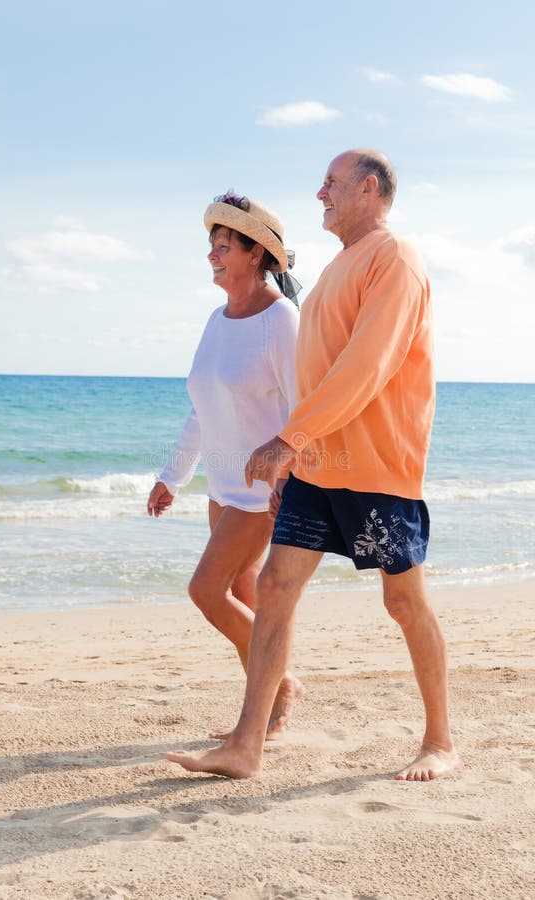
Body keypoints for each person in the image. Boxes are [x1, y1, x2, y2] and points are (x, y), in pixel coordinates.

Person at [166, 149, 461, 782]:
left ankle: (439, 739)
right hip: (318, 467)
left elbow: (369, 365)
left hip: (376, 467)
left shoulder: (396, 260)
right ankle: (247, 745)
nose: (319, 191)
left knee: (404, 603)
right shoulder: (338, 268)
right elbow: (315, 375)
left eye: (331, 182)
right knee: (273, 589)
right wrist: (295, 457)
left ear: (369, 188)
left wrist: (286, 438)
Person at [148, 191, 302, 735]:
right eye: (212, 246)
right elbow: (204, 407)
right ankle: (264, 713)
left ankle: (281, 683)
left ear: (255, 253)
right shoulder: (218, 319)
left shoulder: (280, 321)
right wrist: (174, 476)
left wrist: (291, 472)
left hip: (261, 492)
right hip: (220, 488)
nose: (212, 256)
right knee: (240, 594)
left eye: (223, 246)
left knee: (205, 591)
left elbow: (302, 405)